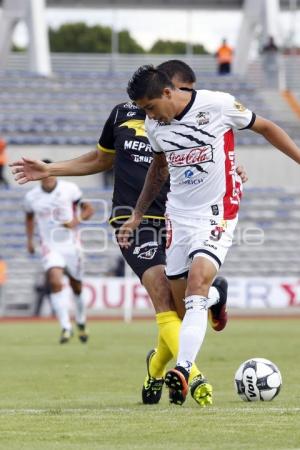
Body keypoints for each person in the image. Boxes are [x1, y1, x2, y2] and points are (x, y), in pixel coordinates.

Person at [10, 62, 247, 407]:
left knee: (183, 310)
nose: (188, 97)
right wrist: (52, 168)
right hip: (132, 220)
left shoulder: (190, 117)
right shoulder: (123, 114)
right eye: (186, 88)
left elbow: (211, 157)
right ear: (168, 87)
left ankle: (156, 367)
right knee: (162, 296)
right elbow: (99, 158)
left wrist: (235, 169)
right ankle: (192, 376)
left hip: (178, 220)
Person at [117, 64, 300, 405]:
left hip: (218, 210)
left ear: (168, 93)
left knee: (198, 280)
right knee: (182, 309)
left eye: (150, 107)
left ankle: (183, 371)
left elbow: (266, 126)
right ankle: (216, 299)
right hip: (178, 216)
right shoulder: (156, 126)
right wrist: (139, 213)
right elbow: (158, 169)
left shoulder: (217, 105)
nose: (147, 115)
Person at [24, 159, 94, 344]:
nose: (47, 176)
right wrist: (30, 240)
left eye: (49, 172)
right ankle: (65, 327)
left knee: (76, 286)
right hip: (50, 247)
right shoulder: (32, 197)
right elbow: (29, 217)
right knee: (55, 281)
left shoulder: (69, 189)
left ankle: (80, 321)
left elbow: (89, 209)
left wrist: (75, 221)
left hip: (72, 246)